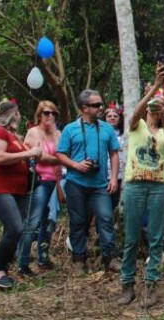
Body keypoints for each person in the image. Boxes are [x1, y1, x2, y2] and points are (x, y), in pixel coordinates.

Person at [117, 67, 164, 307]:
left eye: (158, 105)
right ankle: (127, 285)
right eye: (152, 105)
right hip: (135, 185)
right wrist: (154, 86)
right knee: (131, 238)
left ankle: (150, 286)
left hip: (158, 187)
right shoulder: (136, 126)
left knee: (156, 237)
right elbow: (135, 114)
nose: (153, 108)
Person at [57, 89, 121, 274]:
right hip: (76, 183)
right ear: (84, 108)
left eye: (101, 104)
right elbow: (60, 154)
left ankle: (110, 257)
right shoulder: (70, 129)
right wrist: (76, 165)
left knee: (106, 218)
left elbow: (114, 153)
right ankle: (79, 259)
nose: (100, 107)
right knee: (77, 221)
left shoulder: (107, 128)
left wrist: (114, 178)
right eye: (96, 105)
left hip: (100, 184)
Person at [0, 100, 43, 288]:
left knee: (15, 229)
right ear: (12, 114)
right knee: (15, 228)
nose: (19, 117)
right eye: (18, 113)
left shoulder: (14, 137)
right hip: (1, 188)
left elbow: (25, 158)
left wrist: (35, 154)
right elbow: (0, 157)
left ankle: (4, 268)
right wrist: (28, 153)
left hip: (19, 190)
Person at [17, 101, 62, 277]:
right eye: (46, 113)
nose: (50, 116)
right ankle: (23, 261)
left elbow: (65, 153)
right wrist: (58, 159)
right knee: (33, 221)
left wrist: (59, 159)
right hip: (40, 181)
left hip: (56, 181)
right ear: (39, 115)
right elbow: (39, 156)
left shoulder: (58, 133)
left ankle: (43, 256)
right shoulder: (34, 132)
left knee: (48, 222)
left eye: (53, 113)